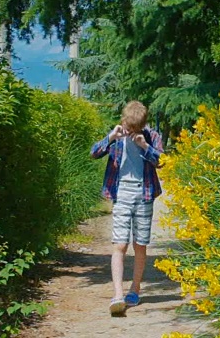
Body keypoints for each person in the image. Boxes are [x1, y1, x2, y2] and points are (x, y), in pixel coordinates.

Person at [90, 101, 164, 316]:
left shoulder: (151, 136)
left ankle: (135, 289)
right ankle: (117, 295)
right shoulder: (117, 135)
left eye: (136, 128)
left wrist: (144, 146)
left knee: (140, 244)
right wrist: (112, 137)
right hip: (120, 194)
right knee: (119, 245)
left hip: (145, 194)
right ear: (124, 121)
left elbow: (161, 162)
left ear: (142, 125)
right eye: (129, 127)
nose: (131, 131)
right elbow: (94, 153)